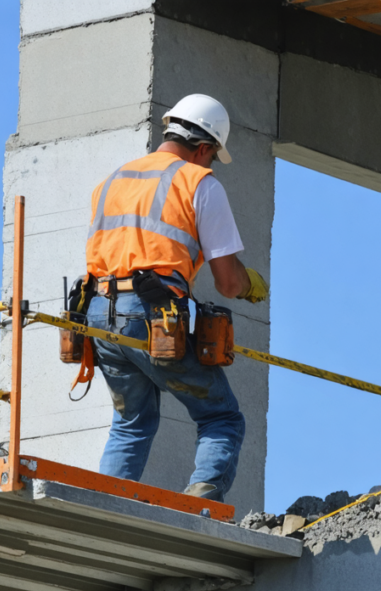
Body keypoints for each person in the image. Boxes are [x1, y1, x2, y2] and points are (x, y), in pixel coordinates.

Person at [83, 94, 269, 503]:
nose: (210, 164)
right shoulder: (199, 182)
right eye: (212, 157)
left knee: (131, 421)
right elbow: (228, 283)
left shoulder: (113, 180)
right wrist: (251, 283)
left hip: (98, 314)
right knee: (222, 416)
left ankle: (108, 504)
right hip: (152, 314)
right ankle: (201, 504)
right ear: (204, 147)